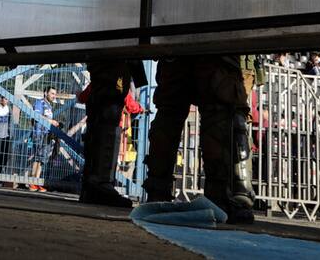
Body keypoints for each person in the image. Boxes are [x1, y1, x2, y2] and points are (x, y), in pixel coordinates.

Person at [143, 55, 260, 224]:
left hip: (174, 44)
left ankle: (157, 191)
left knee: (168, 115)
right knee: (218, 112)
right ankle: (219, 198)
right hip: (214, 44)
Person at [78, 60, 147, 207]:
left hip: (106, 57)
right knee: (111, 105)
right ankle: (101, 184)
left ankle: (92, 185)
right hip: (118, 56)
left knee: (102, 109)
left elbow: (83, 97)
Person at [29, 87, 59, 192]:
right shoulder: (39, 103)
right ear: (46, 93)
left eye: (55, 94)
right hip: (39, 133)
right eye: (52, 93)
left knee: (42, 159)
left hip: (47, 135)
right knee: (37, 157)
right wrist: (50, 121)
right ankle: (31, 182)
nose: (54, 96)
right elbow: (36, 116)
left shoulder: (50, 106)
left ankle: (36, 182)